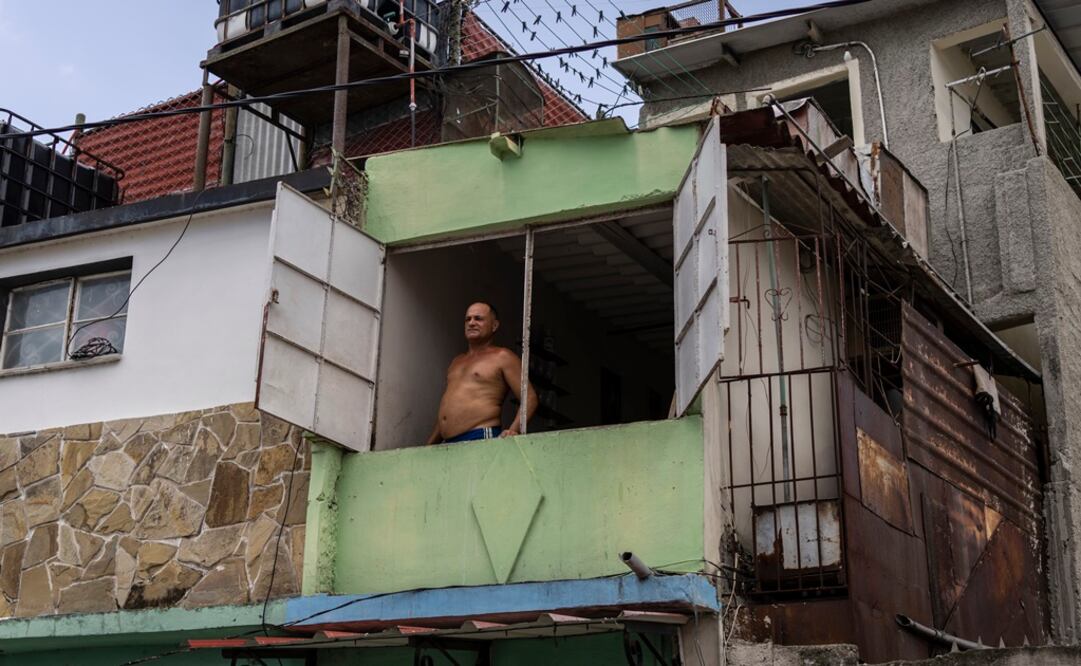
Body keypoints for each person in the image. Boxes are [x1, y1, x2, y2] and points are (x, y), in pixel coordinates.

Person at [426, 302, 538, 444]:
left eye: (478, 318)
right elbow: (448, 408)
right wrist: (430, 445)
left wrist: (514, 430)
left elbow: (530, 398)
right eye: (468, 319)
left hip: (480, 435)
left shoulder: (503, 356)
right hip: (447, 442)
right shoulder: (457, 361)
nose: (471, 323)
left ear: (494, 325)